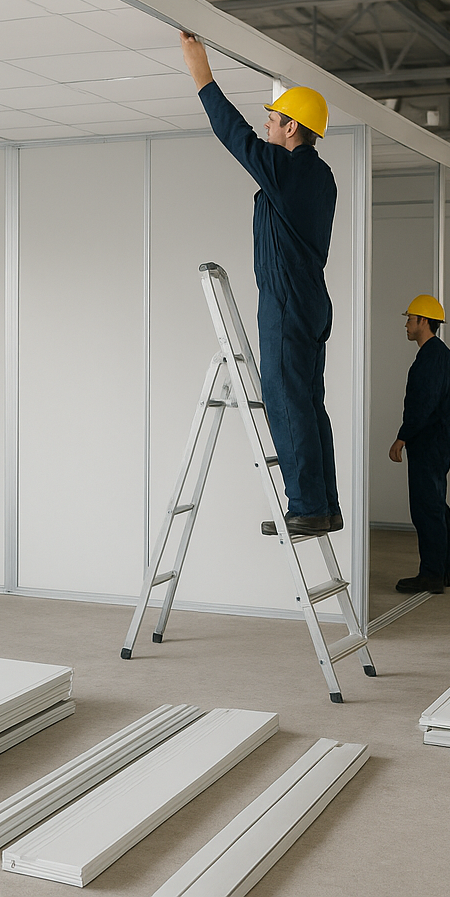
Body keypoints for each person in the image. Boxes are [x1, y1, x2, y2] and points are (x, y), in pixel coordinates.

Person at [179, 30, 342, 536]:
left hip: (287, 303)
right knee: (309, 405)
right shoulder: (321, 176)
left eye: (272, 121)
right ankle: (322, 504)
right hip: (310, 301)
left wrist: (201, 75)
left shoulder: (288, 171)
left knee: (286, 402)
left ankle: (307, 507)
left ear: (292, 128)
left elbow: (234, 135)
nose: (267, 127)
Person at [389, 295, 450, 594]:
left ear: (424, 322)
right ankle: (445, 570)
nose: (406, 324)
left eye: (410, 318)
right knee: (436, 504)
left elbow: (423, 405)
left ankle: (431, 574)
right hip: (438, 440)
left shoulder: (431, 358)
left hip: (428, 441)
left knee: (426, 508)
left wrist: (402, 437)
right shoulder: (440, 355)